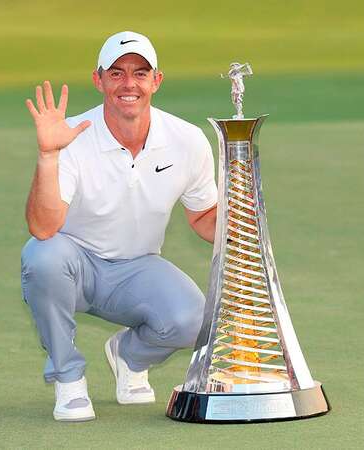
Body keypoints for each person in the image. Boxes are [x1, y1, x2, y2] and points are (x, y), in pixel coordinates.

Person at [21, 31, 218, 421]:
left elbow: (202, 216)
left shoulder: (188, 140)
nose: (129, 84)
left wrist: (246, 228)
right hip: (74, 266)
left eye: (140, 73)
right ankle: (68, 379)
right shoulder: (72, 136)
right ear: (98, 80)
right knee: (42, 256)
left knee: (194, 319)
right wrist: (48, 155)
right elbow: (44, 228)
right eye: (117, 73)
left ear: (156, 81)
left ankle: (128, 356)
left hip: (138, 267)